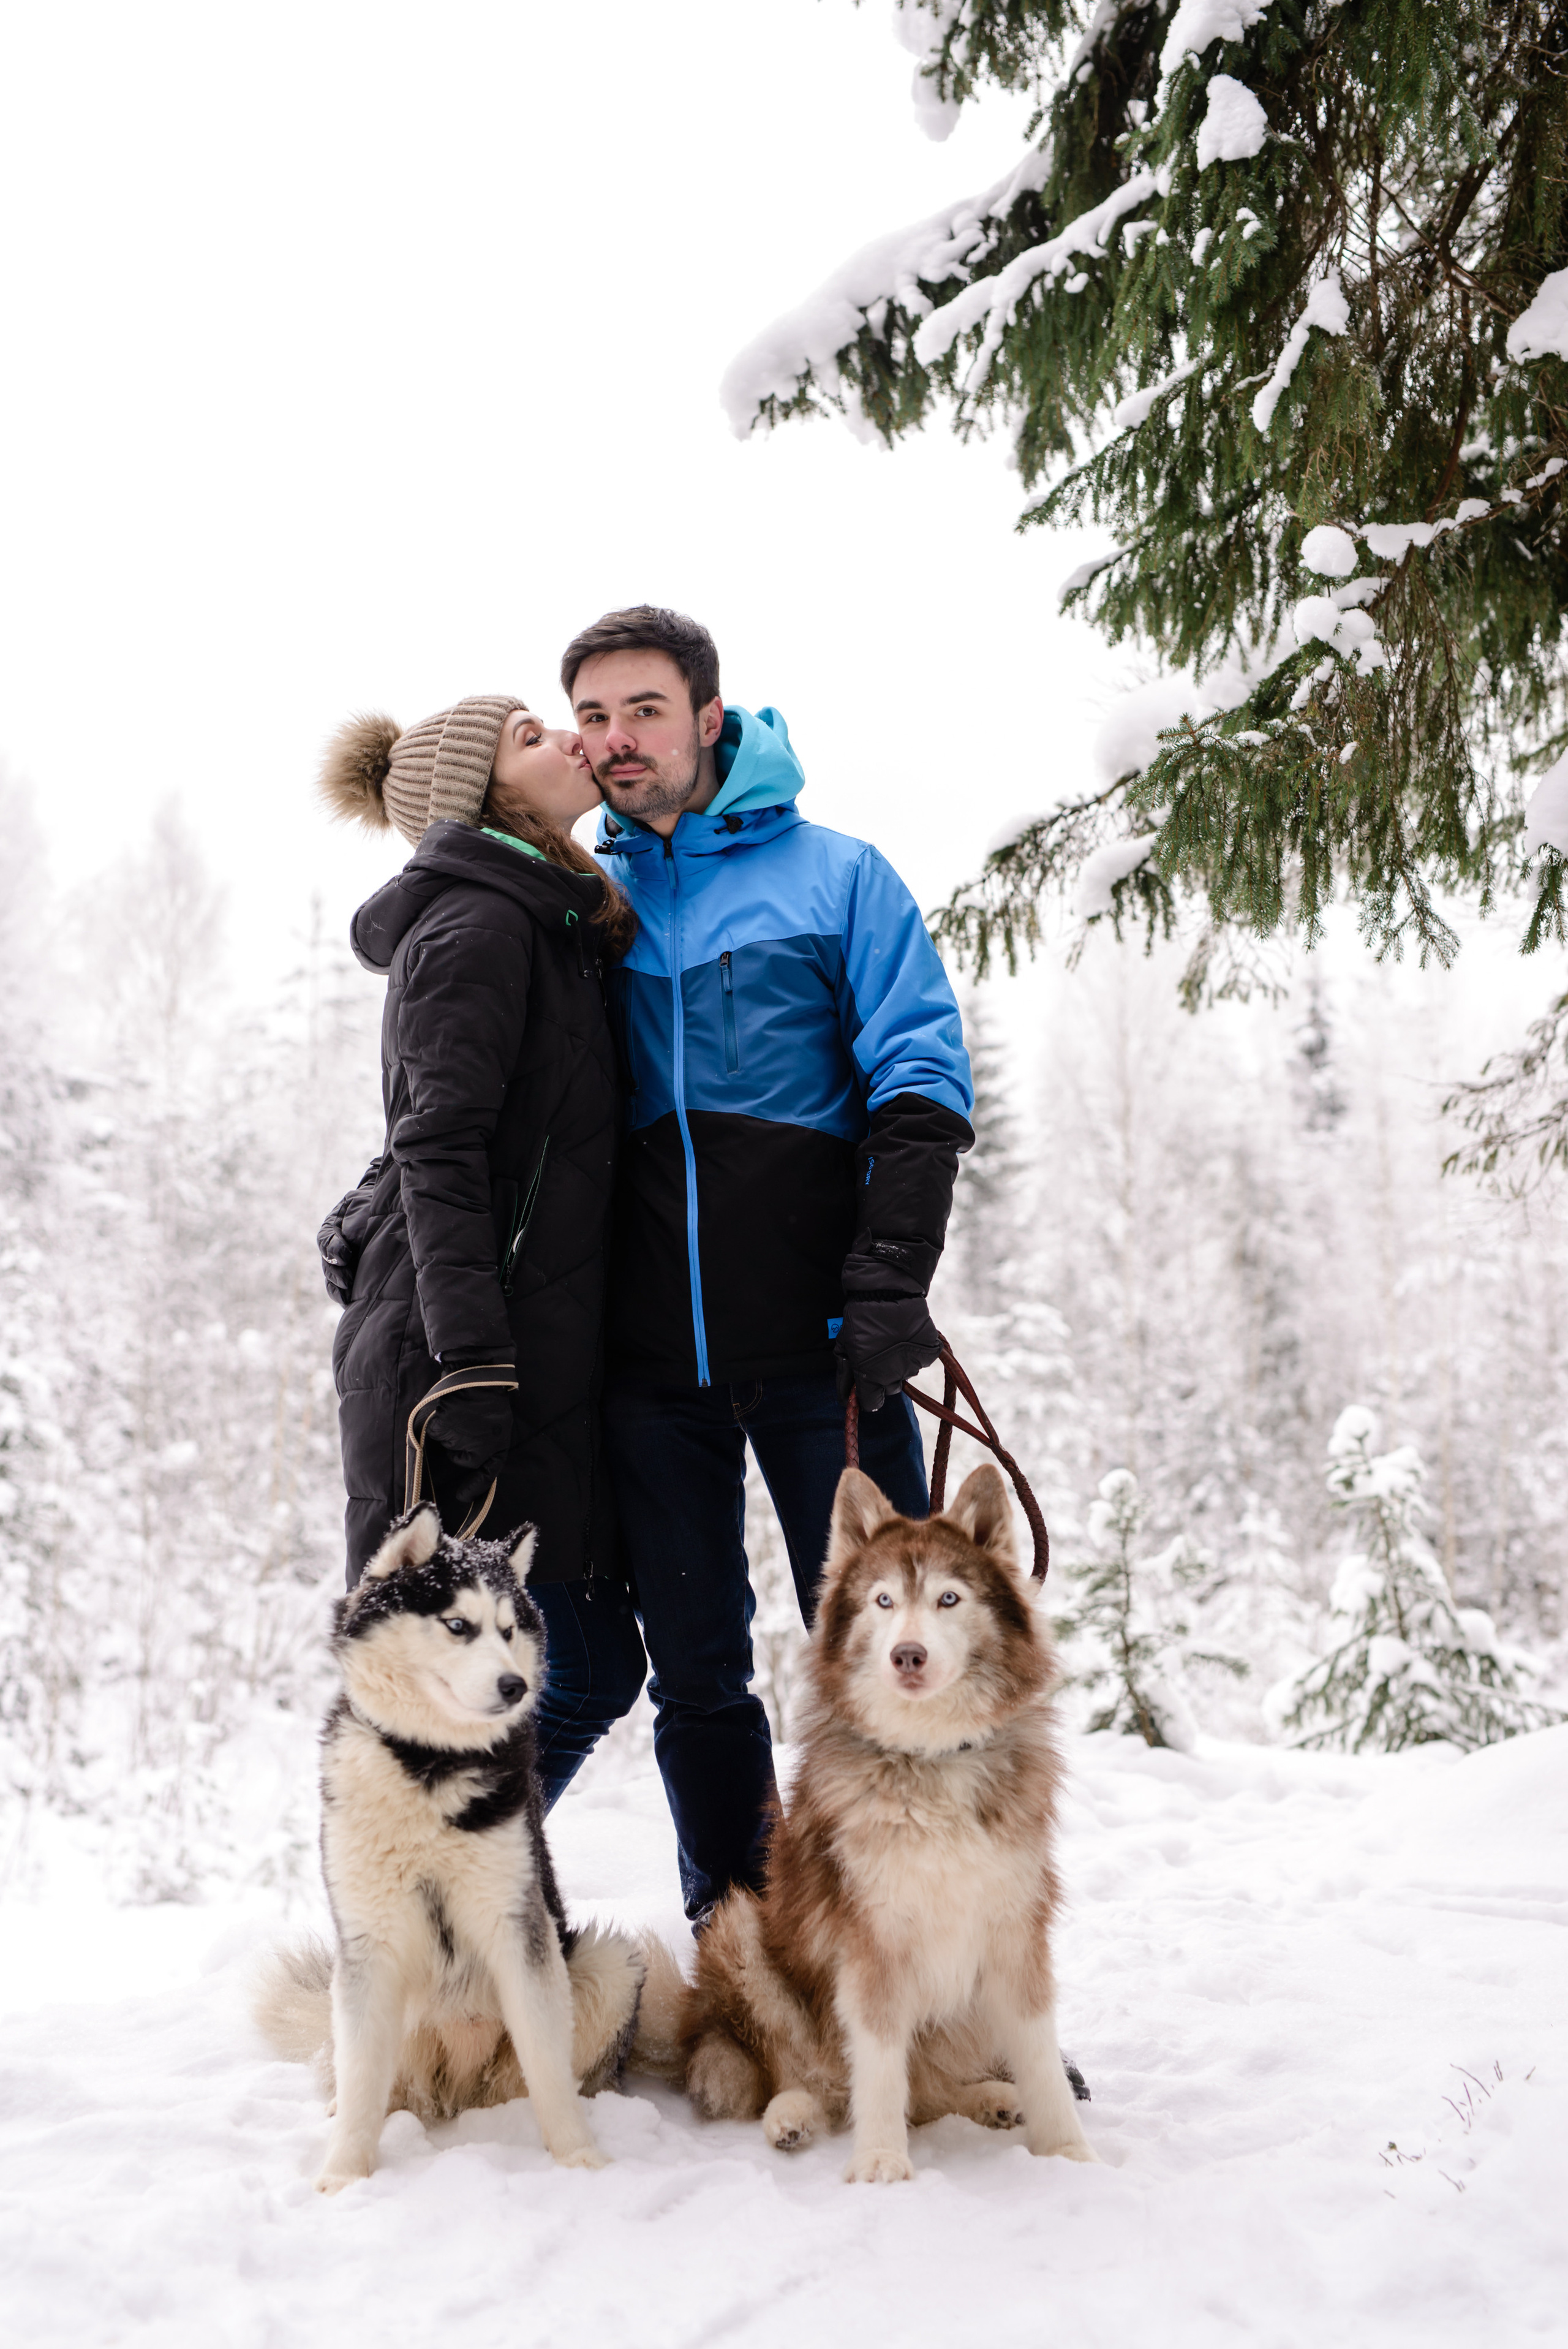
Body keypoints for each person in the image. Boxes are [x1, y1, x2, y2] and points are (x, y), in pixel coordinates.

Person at [553, 605, 975, 1920]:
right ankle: (753, 1963)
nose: (618, 742)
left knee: (903, 1658)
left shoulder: (835, 877)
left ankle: (944, 1974)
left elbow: (919, 1075)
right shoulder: (585, 899)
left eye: (643, 711)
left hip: (825, 1353)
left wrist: (891, 1276)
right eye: (595, 717)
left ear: (708, 720)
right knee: (697, 1675)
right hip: (647, 1368)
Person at [314, 694, 647, 1759]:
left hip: (514, 1352)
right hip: (457, 1361)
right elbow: (438, 1144)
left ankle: (465, 1923)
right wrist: (470, 1359)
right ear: (489, 791)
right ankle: (431, 1918)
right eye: (531, 736)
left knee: (567, 1672)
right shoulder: (479, 925)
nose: (567, 740)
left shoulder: (547, 923)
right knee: (473, 1693)